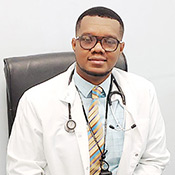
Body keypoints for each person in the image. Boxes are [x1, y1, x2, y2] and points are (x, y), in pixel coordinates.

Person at [7, 6, 170, 175]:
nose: (98, 48)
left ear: (120, 49)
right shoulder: (36, 100)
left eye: (109, 41)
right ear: (74, 44)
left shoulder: (144, 92)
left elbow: (153, 158)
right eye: (88, 39)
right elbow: (22, 169)